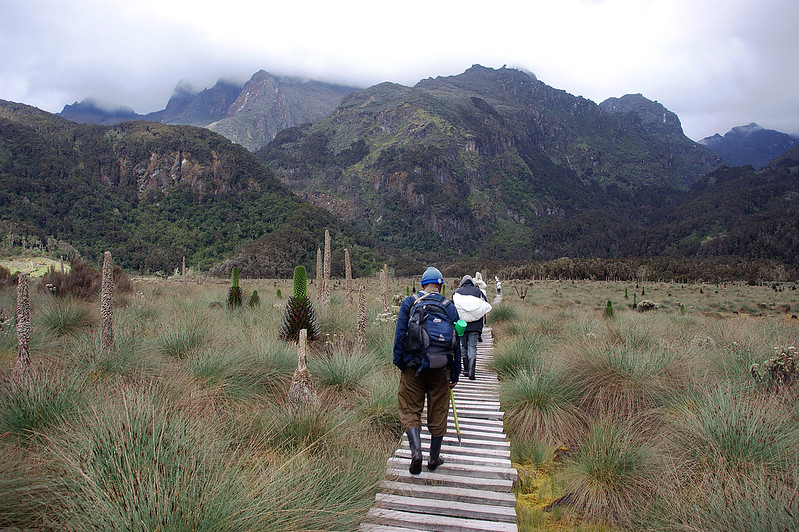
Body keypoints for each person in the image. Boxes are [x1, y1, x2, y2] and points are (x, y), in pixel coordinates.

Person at [393, 266, 461, 474]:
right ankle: (433, 458)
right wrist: (455, 373)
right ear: (441, 285)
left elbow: (400, 335)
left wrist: (401, 363)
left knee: (410, 409)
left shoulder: (409, 302)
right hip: (441, 369)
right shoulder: (449, 306)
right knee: (438, 411)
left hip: (413, 367)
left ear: (422, 284)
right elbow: (456, 342)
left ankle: (416, 452)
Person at [454, 275, 491, 380]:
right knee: (472, 347)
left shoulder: (457, 293)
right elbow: (484, 306)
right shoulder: (478, 292)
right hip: (475, 325)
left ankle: (465, 370)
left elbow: (452, 308)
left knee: (463, 346)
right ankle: (472, 370)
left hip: (462, 325)